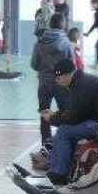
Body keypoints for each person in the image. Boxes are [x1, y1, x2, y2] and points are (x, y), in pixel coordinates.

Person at [33, 58, 98, 185]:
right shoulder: (81, 82)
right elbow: (73, 110)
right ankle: (61, 170)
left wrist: (52, 118)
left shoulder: (80, 85)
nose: (57, 82)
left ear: (65, 75)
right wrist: (56, 114)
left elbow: (73, 117)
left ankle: (58, 174)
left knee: (64, 131)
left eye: (58, 78)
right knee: (65, 130)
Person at [29, 12, 73, 160]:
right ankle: (64, 148)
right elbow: (72, 66)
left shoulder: (40, 42)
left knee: (44, 116)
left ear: (49, 25)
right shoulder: (67, 43)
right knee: (65, 115)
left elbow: (34, 65)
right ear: (63, 26)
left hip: (44, 84)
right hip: (62, 85)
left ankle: (45, 150)